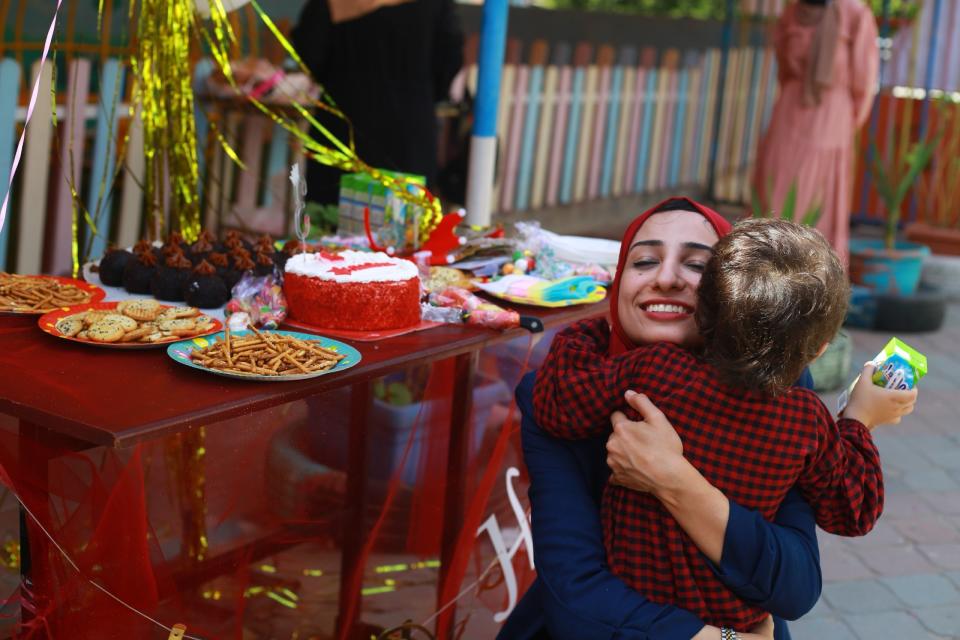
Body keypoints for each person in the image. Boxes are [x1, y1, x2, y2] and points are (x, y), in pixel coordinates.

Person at [499, 197, 915, 640]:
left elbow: (795, 586)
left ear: (731, 296)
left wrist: (672, 477)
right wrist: (856, 424)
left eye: (698, 266)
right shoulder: (551, 390)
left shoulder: (783, 393)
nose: (665, 278)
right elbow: (579, 603)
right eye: (643, 260)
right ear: (619, 276)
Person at [291, 0, 464, 205]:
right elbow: (450, 57)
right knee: (405, 229)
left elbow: (310, 53)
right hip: (409, 135)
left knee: (331, 227)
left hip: (343, 131)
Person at [754, 0, 879, 266]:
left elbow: (864, 79)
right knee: (773, 185)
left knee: (817, 195)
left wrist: (845, 121)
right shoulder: (794, 10)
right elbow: (783, 63)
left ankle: (812, 273)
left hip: (831, 113)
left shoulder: (855, 13)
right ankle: (765, 266)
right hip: (790, 108)